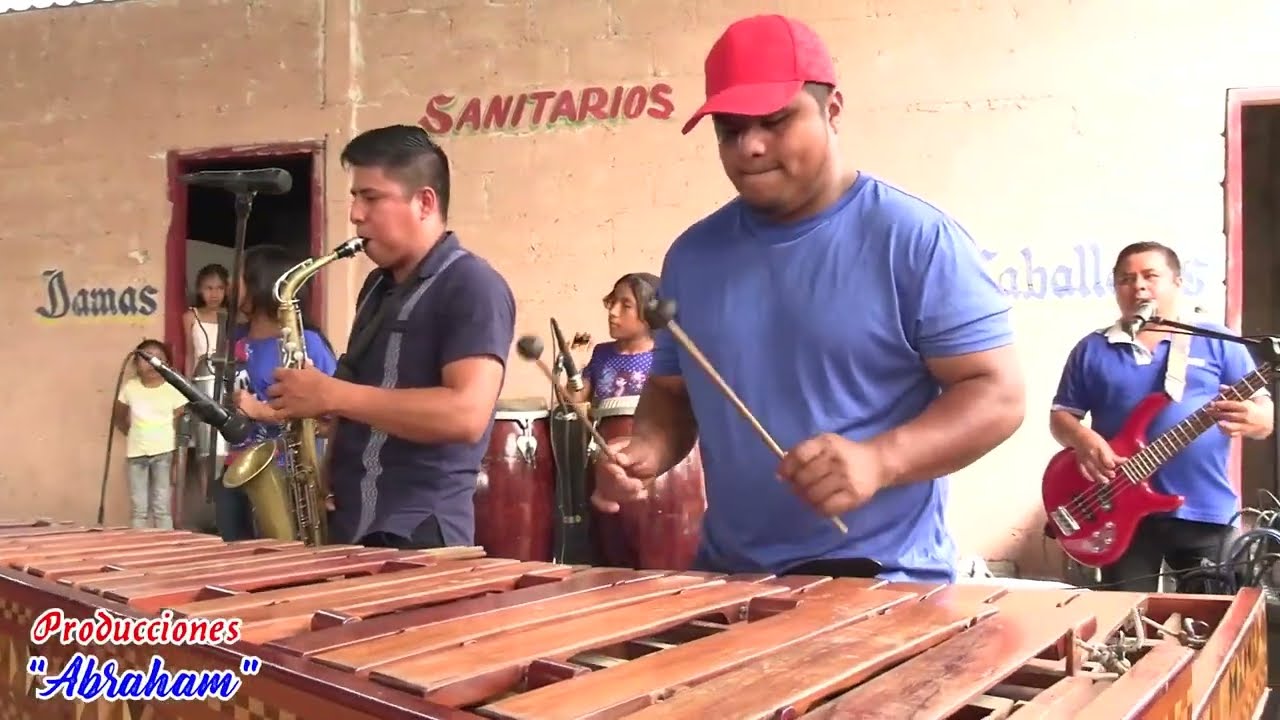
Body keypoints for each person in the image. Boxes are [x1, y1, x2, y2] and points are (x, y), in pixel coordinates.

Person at [592, 14, 1026, 583]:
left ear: (832, 111)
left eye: (775, 120)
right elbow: (673, 395)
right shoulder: (691, 258)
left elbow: (998, 395)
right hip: (732, 579)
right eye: (729, 128)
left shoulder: (913, 239)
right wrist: (643, 450)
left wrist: (880, 461)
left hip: (883, 582)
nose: (749, 146)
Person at [265, 124, 517, 551]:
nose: (355, 214)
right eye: (355, 197)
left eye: (371, 197)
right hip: (352, 528)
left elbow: (465, 414)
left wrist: (334, 395)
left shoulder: (473, 285)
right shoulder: (377, 288)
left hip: (419, 538)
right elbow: (366, 397)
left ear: (424, 202)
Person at [1050, 241, 1273, 592]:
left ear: (1178, 283)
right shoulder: (1091, 349)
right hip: (1119, 511)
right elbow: (1061, 417)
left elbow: (1264, 413)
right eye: (1125, 279)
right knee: (1126, 626)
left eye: (1150, 276)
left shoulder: (1217, 341)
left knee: (1211, 625)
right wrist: (1083, 439)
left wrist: (1258, 420)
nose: (1137, 285)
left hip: (1205, 510)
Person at [217, 244, 339, 541]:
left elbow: (329, 419)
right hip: (237, 467)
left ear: (262, 283)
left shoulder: (305, 342)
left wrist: (261, 412)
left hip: (288, 475)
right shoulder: (235, 339)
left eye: (240, 277)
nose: (230, 285)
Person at [114, 339, 188, 530]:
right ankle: (139, 545)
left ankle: (166, 547)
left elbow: (181, 417)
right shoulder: (131, 387)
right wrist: (131, 433)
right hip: (136, 453)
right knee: (139, 508)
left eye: (158, 358)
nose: (152, 363)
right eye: (147, 358)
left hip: (163, 452)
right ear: (136, 364)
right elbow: (119, 415)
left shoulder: (172, 388)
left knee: (161, 506)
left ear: (167, 363)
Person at [568, 272, 661, 406]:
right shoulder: (602, 353)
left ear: (651, 314)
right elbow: (576, 401)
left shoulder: (663, 359)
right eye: (613, 302)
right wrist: (572, 365)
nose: (613, 312)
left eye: (626, 306)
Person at [183, 263, 230, 497]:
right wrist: (185, 392)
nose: (214, 294)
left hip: (226, 386)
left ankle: (222, 508)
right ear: (199, 289)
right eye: (208, 288)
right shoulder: (191, 316)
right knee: (205, 451)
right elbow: (189, 356)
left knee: (225, 448)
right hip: (201, 385)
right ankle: (207, 505)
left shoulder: (231, 318)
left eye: (220, 288)